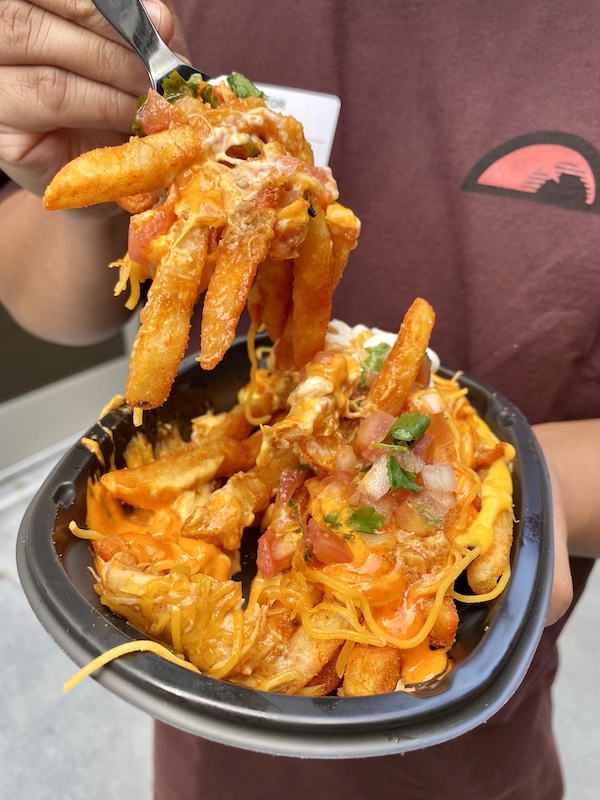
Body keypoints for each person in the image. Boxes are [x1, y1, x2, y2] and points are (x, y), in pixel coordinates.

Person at [1, 1, 598, 798]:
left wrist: (515, 484)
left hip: (476, 748)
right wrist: (98, 205)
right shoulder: (145, 14)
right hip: (205, 742)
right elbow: (43, 303)